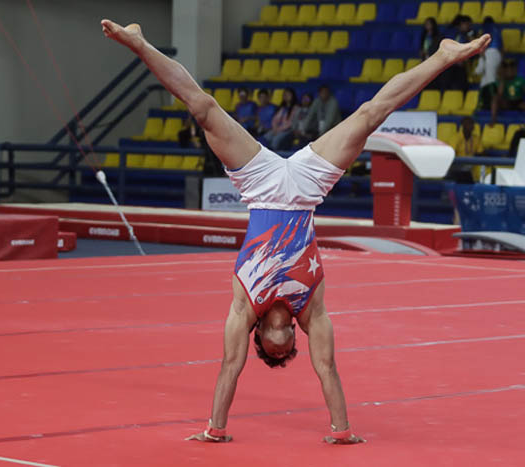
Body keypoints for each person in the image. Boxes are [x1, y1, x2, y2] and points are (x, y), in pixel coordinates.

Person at [101, 18, 490, 444]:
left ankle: (139, 43)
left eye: (276, 347)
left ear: (262, 338)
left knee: (204, 108)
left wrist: (216, 429)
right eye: (290, 345)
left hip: (261, 188)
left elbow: (230, 365)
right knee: (370, 114)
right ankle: (444, 56)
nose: (286, 341)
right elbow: (326, 367)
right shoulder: (311, 307)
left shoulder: (244, 303)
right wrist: (341, 432)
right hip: (306, 190)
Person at [491, 58, 525, 125]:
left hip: (518, 102)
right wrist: (502, 80)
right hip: (507, 102)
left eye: (512, 69)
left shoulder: (520, 79)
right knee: (495, 98)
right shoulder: (500, 81)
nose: (510, 71)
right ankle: (493, 119)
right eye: (507, 70)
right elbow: (500, 94)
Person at [474, 17, 503, 110]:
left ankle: (493, 102)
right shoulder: (497, 31)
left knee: (490, 79)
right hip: (497, 54)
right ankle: (485, 103)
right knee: (486, 80)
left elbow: (482, 44)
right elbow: (502, 48)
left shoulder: (485, 30)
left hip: (489, 53)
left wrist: (482, 54)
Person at [452, 116, 485, 180]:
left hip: (471, 163)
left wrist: (475, 156)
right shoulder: (455, 137)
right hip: (458, 163)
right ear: (463, 125)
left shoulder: (476, 138)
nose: (472, 126)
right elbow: (452, 153)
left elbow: (481, 153)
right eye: (469, 124)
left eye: (472, 124)